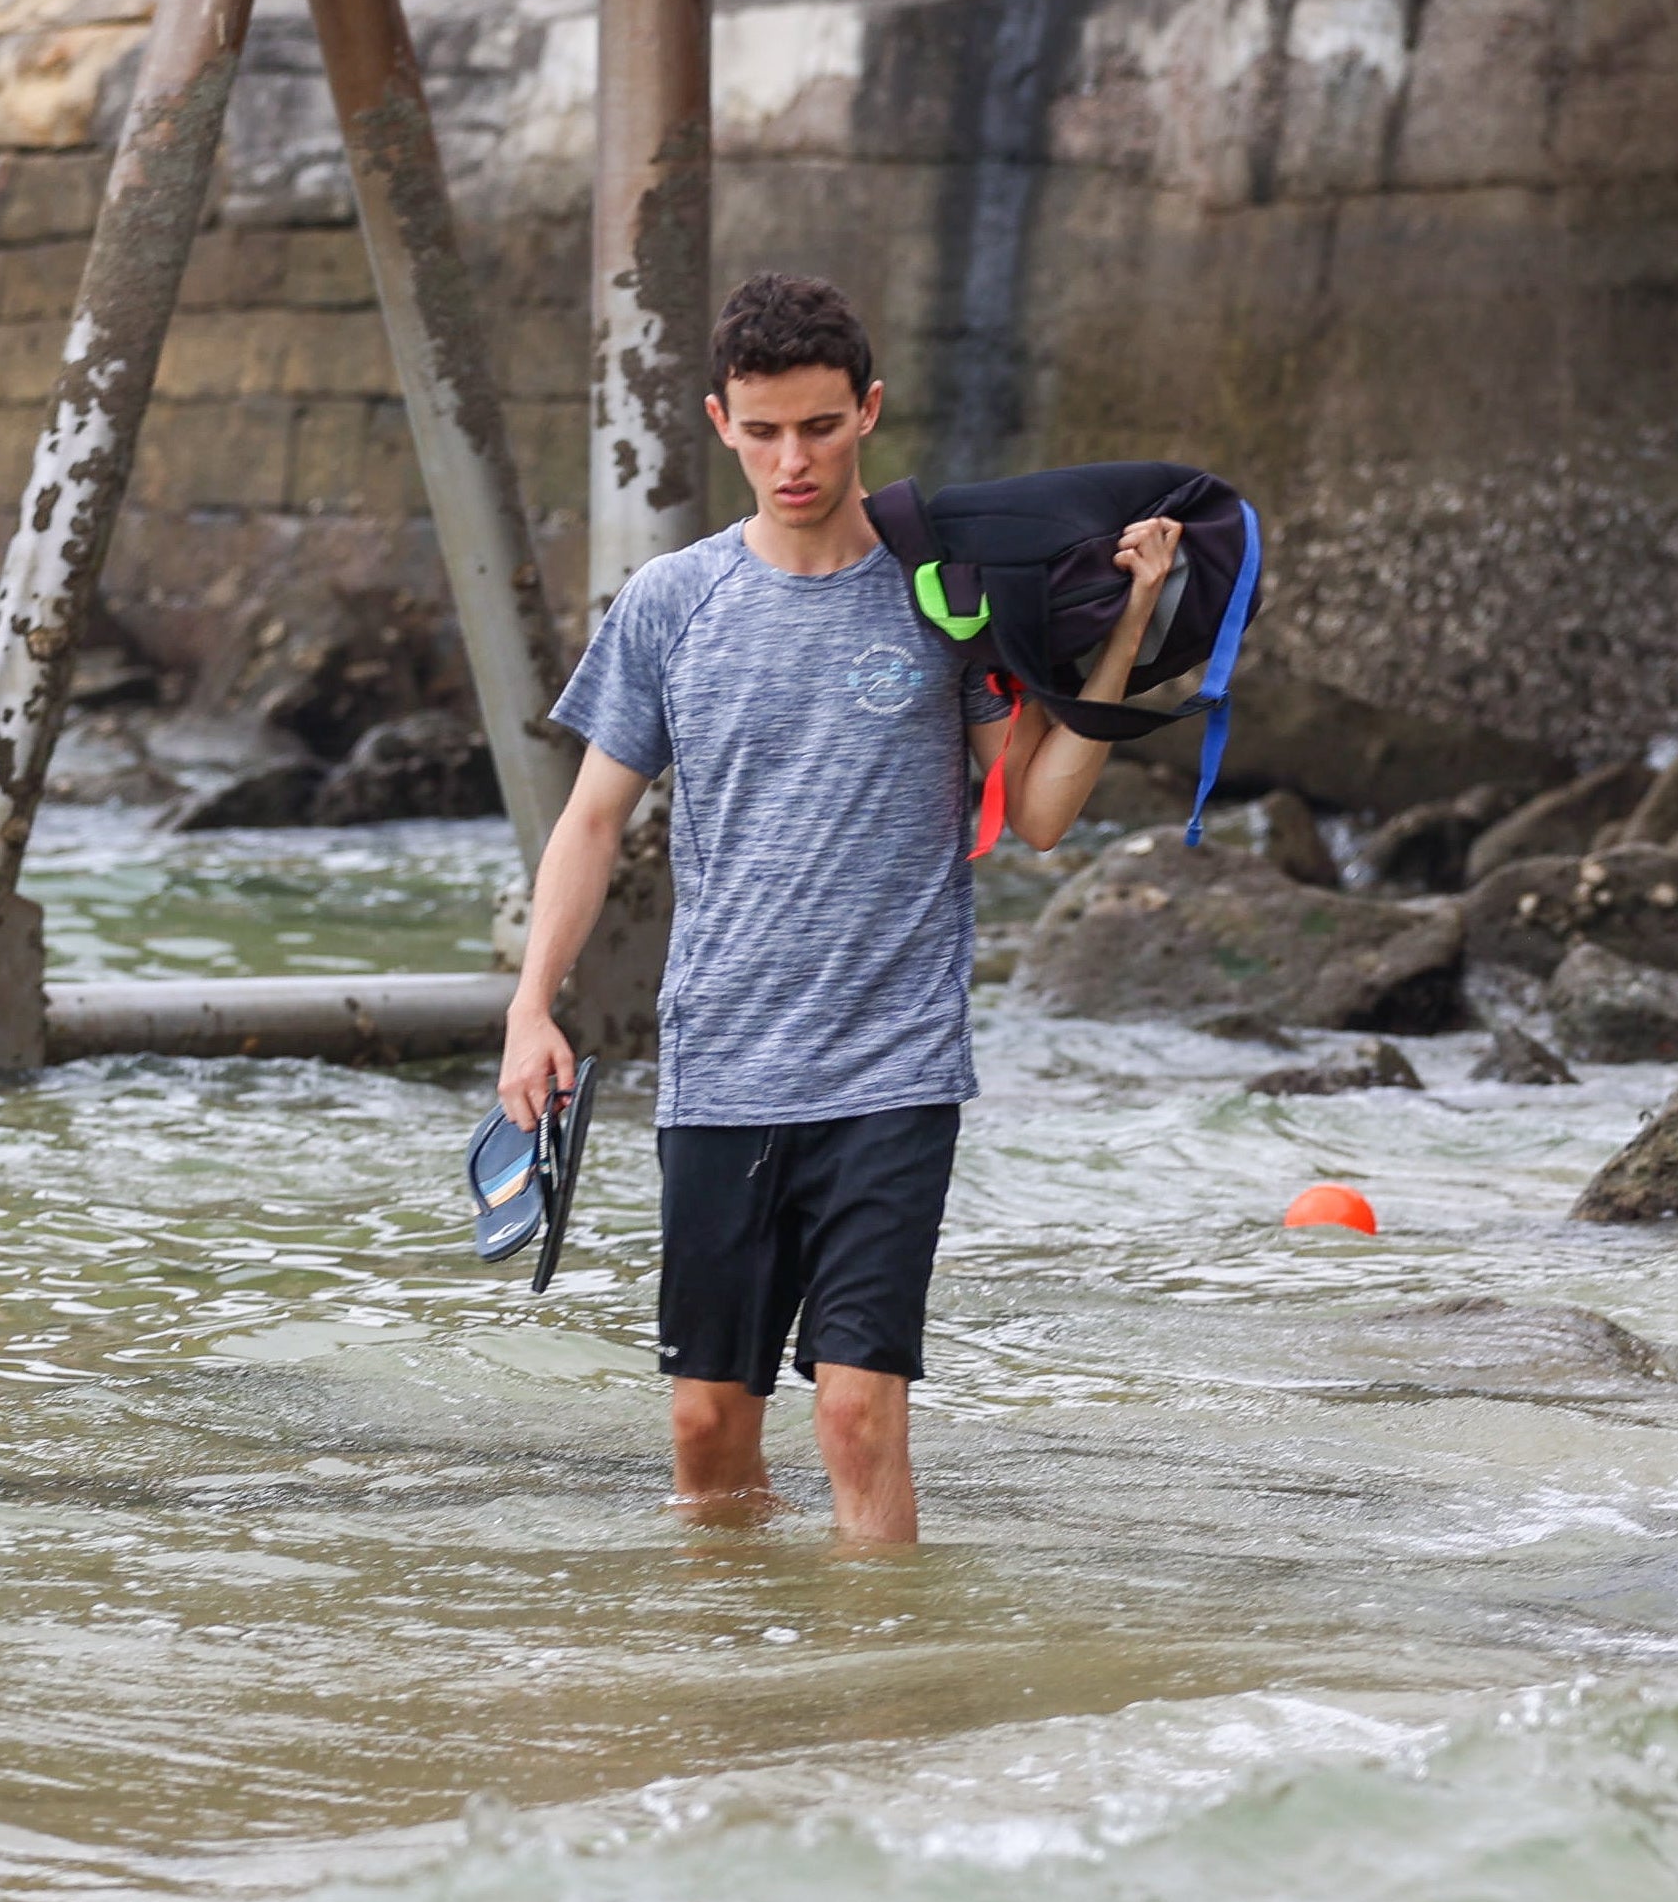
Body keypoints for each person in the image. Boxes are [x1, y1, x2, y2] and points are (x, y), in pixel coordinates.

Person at [498, 272, 1178, 1545]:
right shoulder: (672, 602)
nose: (792, 458)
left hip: (893, 1065)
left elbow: (1032, 812)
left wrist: (1127, 626)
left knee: (858, 1415)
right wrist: (530, 1009)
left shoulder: (944, 595)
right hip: (725, 1062)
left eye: (818, 426)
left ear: (867, 410)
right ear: (719, 423)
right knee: (707, 1428)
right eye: (762, 432)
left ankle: (878, 1716)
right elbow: (591, 821)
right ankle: (740, 1696)